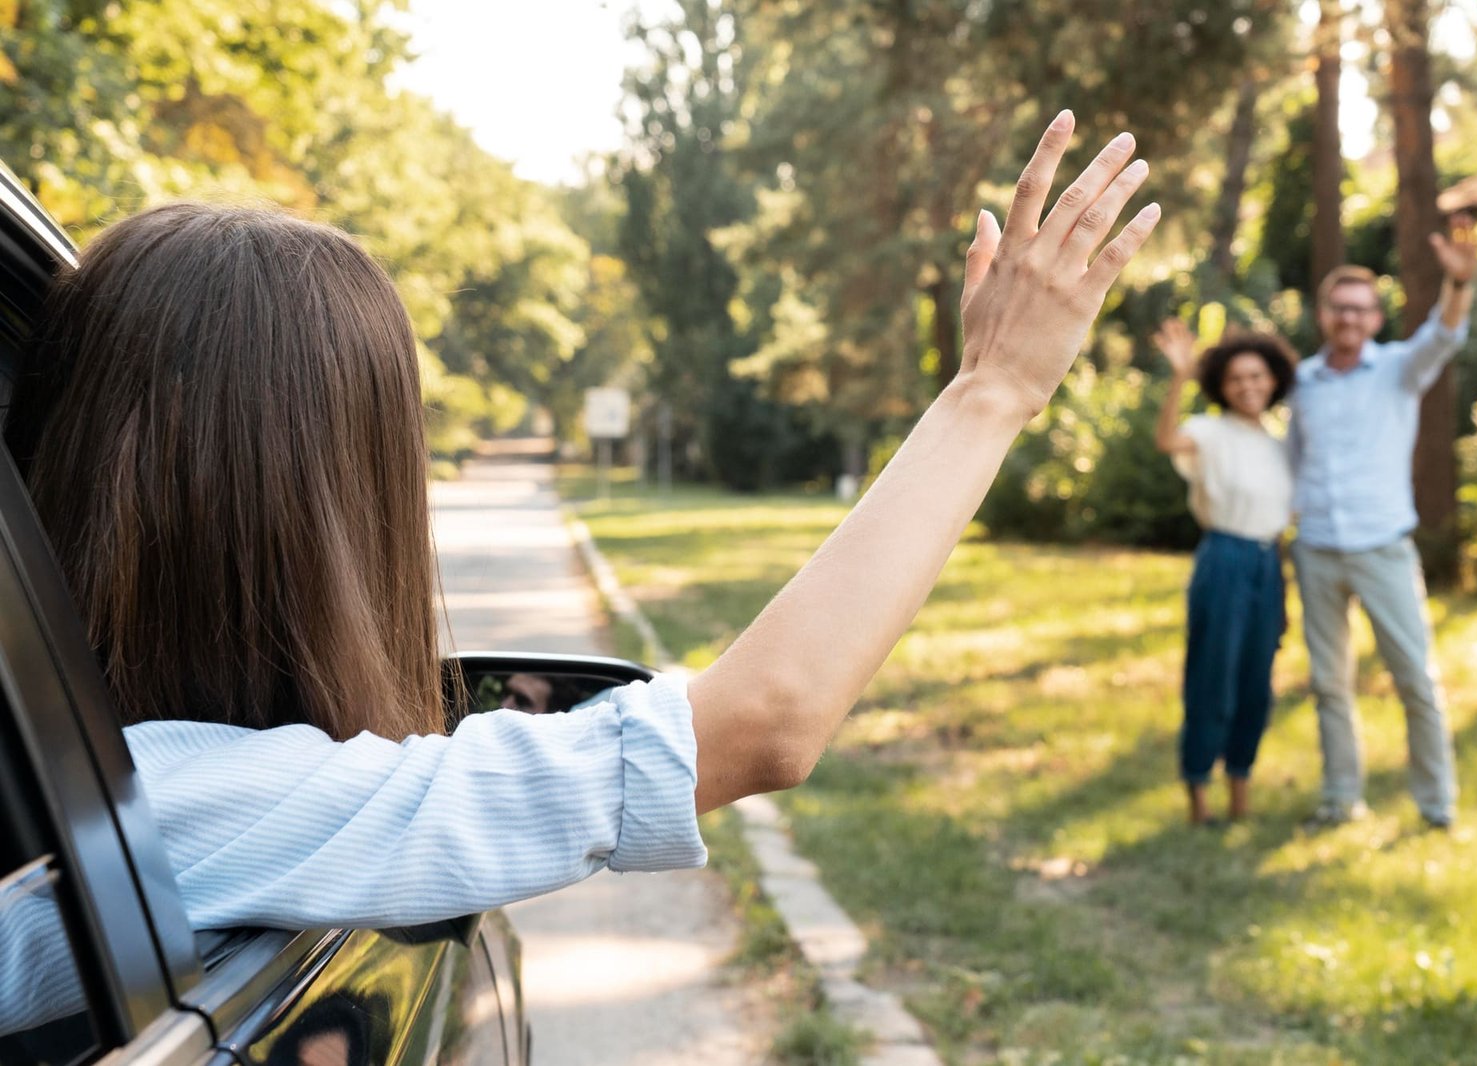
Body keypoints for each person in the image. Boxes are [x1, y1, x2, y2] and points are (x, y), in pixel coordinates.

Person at [1, 111, 1160, 1031]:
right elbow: (765, 721)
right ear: (335, 513)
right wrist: (994, 389)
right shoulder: (213, 804)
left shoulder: (94, 786)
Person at [1289, 216, 1477, 830]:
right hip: (1317, 549)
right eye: (1339, 308)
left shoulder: (1400, 368)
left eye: (1360, 309)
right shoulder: (1302, 383)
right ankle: (1340, 800)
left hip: (1383, 547)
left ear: (1375, 318)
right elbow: (1294, 459)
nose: (1348, 318)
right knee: (1328, 685)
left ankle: (1436, 805)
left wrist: (1458, 284)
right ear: (1323, 314)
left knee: (1415, 681)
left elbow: (1444, 335)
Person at [1152, 321, 1297, 825]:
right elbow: (1166, 440)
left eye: (1256, 376)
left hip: (1268, 564)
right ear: (1220, 384)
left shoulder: (1280, 444)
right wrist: (1180, 377)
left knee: (1257, 682)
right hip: (1224, 559)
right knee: (1214, 677)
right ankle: (1198, 793)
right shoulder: (1208, 432)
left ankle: (1240, 791)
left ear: (1273, 379)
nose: (1247, 386)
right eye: (1236, 378)